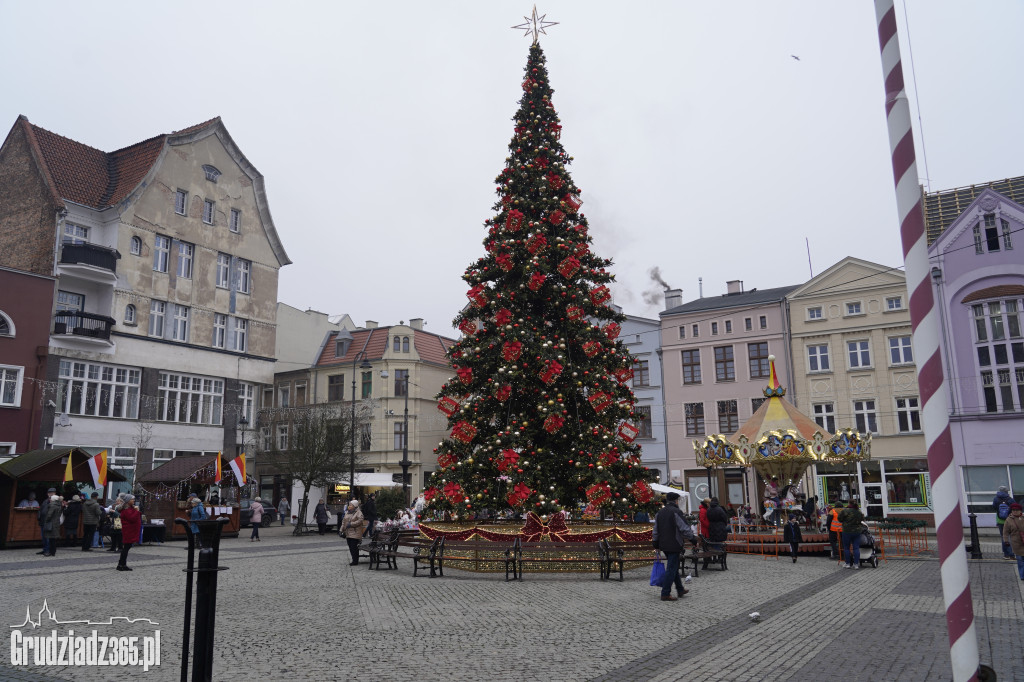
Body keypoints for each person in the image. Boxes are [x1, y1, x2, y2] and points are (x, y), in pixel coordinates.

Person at [652, 492, 696, 601]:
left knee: (673, 566)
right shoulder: (676, 512)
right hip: (674, 543)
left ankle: (680, 589)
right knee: (671, 568)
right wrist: (693, 540)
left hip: (664, 544)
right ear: (676, 500)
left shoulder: (660, 513)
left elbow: (655, 530)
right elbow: (684, 528)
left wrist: (656, 543)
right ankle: (665, 593)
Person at [116, 495, 141, 571]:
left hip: (130, 530)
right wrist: (137, 511)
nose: (133, 500)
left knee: (127, 547)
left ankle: (122, 564)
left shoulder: (129, 508)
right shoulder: (126, 510)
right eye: (132, 499)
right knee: (126, 547)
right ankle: (121, 565)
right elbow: (132, 518)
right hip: (129, 530)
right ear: (128, 501)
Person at [705, 497, 730, 570]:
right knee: (720, 541)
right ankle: (720, 556)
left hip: (712, 527)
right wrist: (723, 524)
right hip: (720, 526)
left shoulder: (709, 509)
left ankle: (715, 557)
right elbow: (724, 517)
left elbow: (708, 517)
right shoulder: (719, 509)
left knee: (714, 541)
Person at [838, 501, 865, 569]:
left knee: (846, 548)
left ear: (849, 503)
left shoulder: (845, 511)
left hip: (847, 531)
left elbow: (839, 519)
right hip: (857, 531)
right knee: (856, 548)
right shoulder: (858, 511)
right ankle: (856, 564)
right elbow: (862, 519)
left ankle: (848, 563)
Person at [340, 499, 366, 566]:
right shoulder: (347, 512)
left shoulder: (358, 512)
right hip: (348, 533)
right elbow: (343, 522)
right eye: (349, 505)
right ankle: (354, 559)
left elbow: (360, 521)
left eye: (351, 505)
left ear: (355, 506)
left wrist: (351, 524)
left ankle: (355, 561)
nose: (349, 506)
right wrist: (341, 530)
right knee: (350, 547)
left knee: (354, 547)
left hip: (355, 533)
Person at [1002, 503, 1024, 581]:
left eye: (1016, 510)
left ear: (1020, 510)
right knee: (1020, 561)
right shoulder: (1009, 520)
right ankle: (1022, 576)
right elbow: (1005, 532)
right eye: (1013, 510)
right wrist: (1006, 541)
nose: (1014, 511)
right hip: (1016, 543)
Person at [993, 485, 1015, 560]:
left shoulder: (996, 499)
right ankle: (1012, 554)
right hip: (1009, 520)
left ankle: (1006, 555)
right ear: (1006, 491)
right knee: (1010, 537)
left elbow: (994, 508)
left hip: (1000, 521)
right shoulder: (1010, 499)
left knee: (1003, 537)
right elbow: (1014, 509)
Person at [36, 487, 56, 555]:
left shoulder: (55, 501)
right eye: (49, 493)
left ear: (54, 494)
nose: (50, 494)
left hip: (49, 522)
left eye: (52, 493)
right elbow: (41, 509)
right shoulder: (45, 501)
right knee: (44, 537)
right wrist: (39, 516)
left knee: (48, 537)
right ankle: (45, 549)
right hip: (43, 521)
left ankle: (48, 550)